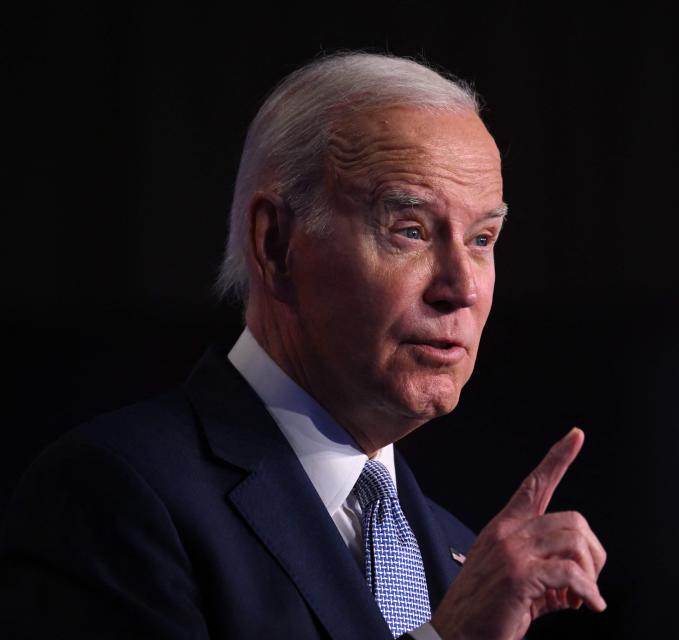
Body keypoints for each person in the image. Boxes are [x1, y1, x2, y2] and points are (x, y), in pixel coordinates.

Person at [0, 53, 606, 639]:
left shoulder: (460, 558)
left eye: (481, 239)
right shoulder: (117, 496)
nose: (461, 288)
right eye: (411, 231)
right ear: (276, 246)